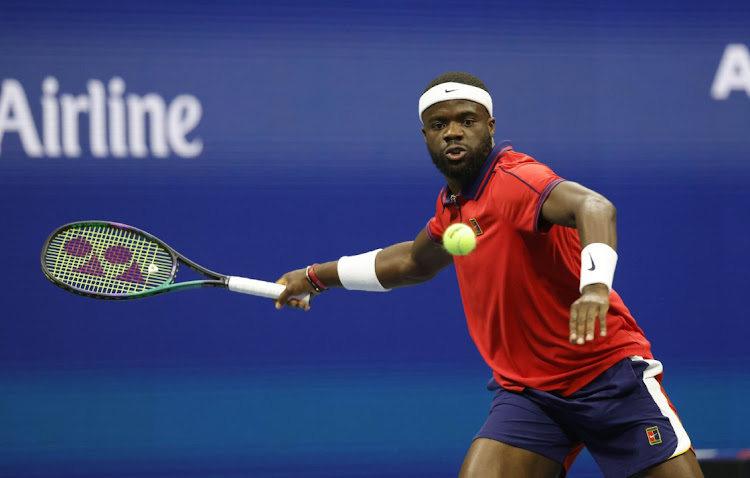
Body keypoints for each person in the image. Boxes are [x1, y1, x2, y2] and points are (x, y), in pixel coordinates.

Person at [274, 72, 704, 478]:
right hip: (530, 394)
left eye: (467, 120)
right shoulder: (454, 205)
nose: (453, 132)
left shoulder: (518, 180)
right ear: (425, 136)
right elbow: (412, 262)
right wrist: (315, 277)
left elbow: (594, 207)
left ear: (491, 126)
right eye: (439, 124)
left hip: (606, 376)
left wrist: (594, 288)